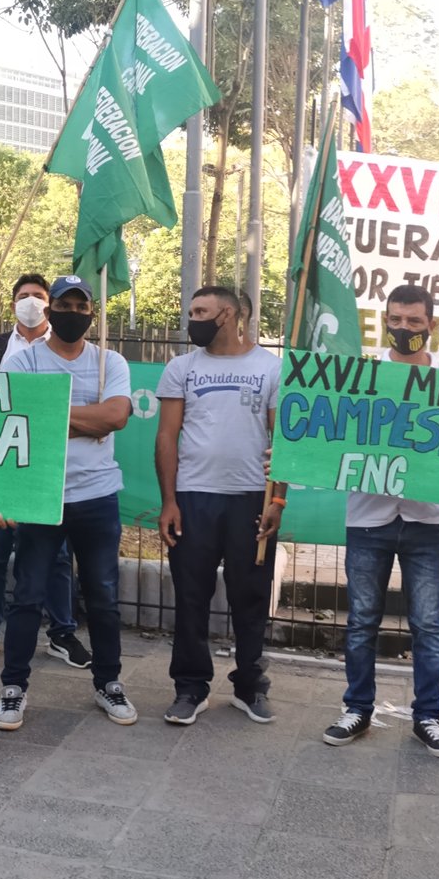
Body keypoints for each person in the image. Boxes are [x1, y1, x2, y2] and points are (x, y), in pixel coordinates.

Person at [0, 276, 138, 732]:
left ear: (92, 313)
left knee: (104, 598)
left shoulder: (109, 361)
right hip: (40, 495)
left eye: (81, 304)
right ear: (50, 310)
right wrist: (86, 421)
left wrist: (51, 415)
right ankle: (13, 688)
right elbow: (16, 423)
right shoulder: (23, 360)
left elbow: (116, 416)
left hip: (97, 496)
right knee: (27, 597)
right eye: (63, 304)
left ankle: (108, 682)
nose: (72, 311)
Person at [323, 284, 439, 756]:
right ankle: (357, 708)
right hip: (369, 517)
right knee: (361, 621)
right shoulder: (362, 378)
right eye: (396, 321)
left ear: (431, 325)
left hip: (428, 521)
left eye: (414, 322)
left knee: (428, 624)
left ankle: (429, 717)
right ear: (385, 322)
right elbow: (331, 437)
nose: (403, 329)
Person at [157, 285, 282, 725]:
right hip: (194, 498)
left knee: (251, 597)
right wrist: (169, 501)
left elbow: (282, 441)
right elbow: (167, 436)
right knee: (191, 597)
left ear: (228, 315)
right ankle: (190, 688)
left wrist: (277, 500)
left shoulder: (271, 368)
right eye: (191, 311)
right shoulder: (181, 368)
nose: (192, 320)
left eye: (200, 311)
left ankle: (250, 686)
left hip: (250, 498)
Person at [0, 272, 80, 666]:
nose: (31, 302)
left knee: (58, 554)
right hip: (3, 462)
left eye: (38, 296)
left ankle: (62, 631)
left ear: (50, 304)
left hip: (47, 464)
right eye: (23, 296)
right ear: (12, 302)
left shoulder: (66, 346)